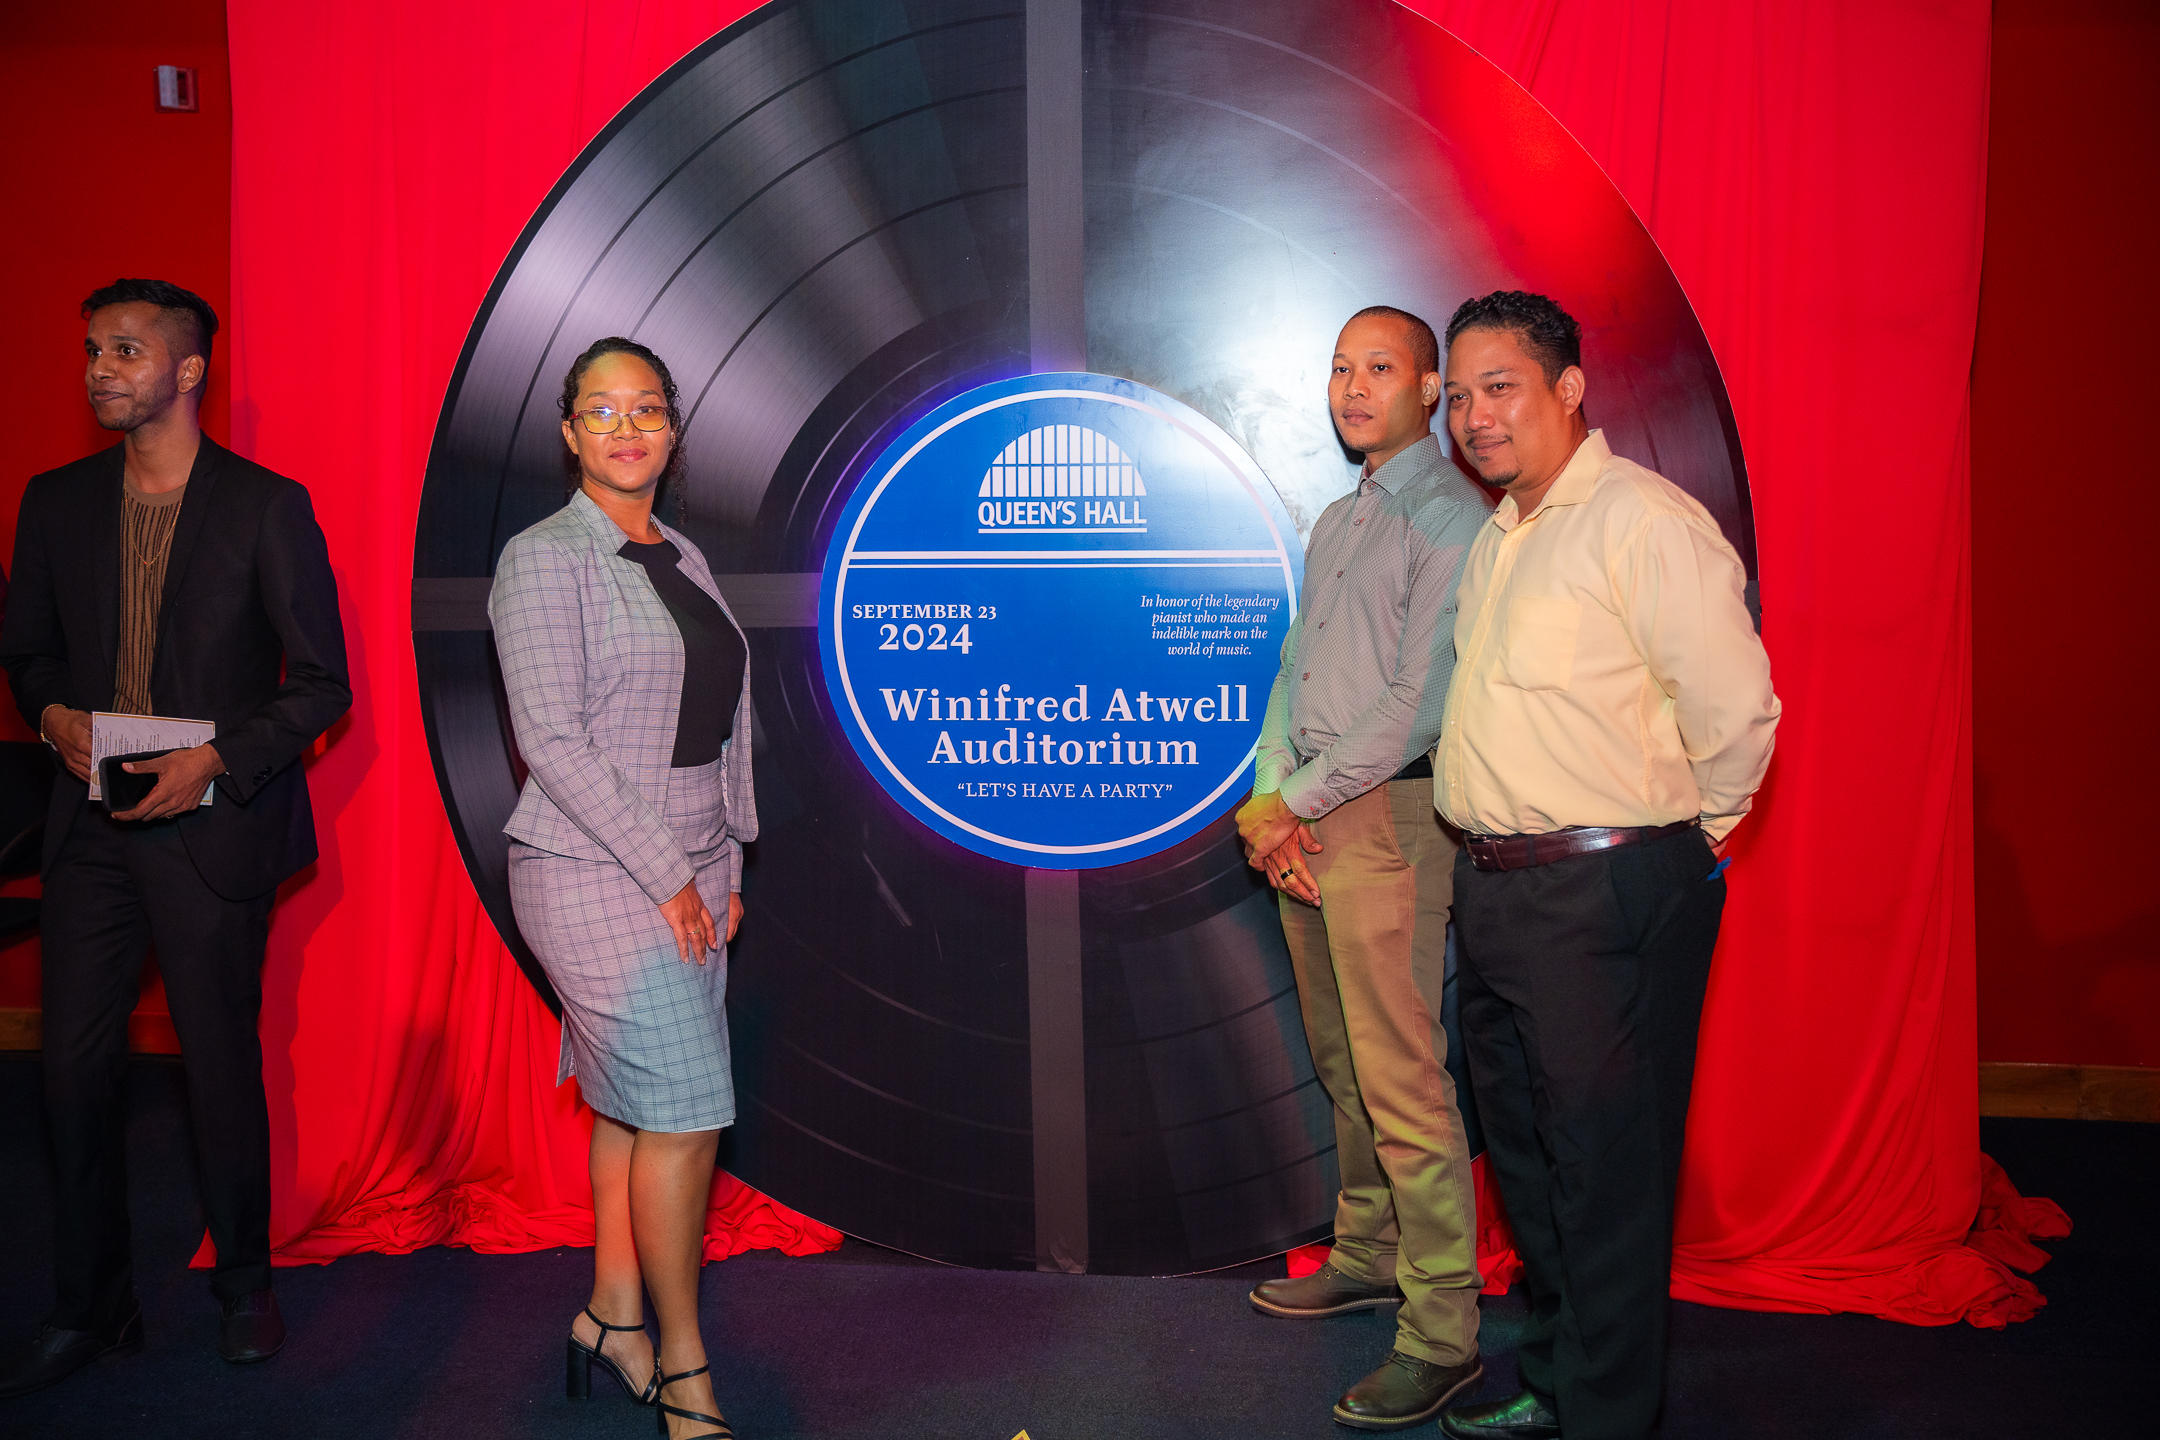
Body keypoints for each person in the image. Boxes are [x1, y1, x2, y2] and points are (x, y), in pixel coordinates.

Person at [1431, 292, 1779, 1440]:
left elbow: (1735, 714)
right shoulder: (1502, 538)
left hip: (1605, 890)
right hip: (1493, 892)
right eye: (1463, 394)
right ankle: (1559, 1384)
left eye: (1503, 388)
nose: (1477, 416)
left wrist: (1676, 845)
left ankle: (1609, 1421)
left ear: (1568, 389)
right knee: (1529, 1168)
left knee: (1607, 1177)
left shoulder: (1643, 521)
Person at [0, 279, 350, 1394]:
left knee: (218, 1068)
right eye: (94, 347)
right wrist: (53, 717)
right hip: (90, 828)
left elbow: (322, 684)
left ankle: (244, 1281)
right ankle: (91, 1306)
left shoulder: (265, 506)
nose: (102, 366)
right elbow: (30, 657)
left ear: (188, 371)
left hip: (210, 827)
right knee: (71, 1074)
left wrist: (214, 759)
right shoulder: (53, 503)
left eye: (128, 349)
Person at [1236, 305, 1496, 1431]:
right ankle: (1367, 1251)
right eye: (1340, 368)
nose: (1352, 387)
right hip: (1309, 822)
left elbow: (1418, 704)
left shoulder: (1450, 520)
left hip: (1390, 821)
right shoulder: (1343, 516)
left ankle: (1443, 1332)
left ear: (1431, 389)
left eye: (1379, 368)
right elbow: (1297, 666)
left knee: (1402, 1081)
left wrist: (1293, 802)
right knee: (1343, 1062)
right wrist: (1272, 800)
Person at [489, 336, 754, 1440]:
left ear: (673, 431)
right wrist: (668, 877)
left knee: (627, 1102)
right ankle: (684, 1369)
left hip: (691, 864)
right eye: (603, 412)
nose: (628, 429)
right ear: (569, 432)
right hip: (589, 867)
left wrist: (724, 860)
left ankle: (611, 1314)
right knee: (687, 1112)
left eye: (648, 409)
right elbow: (551, 739)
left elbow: (722, 724)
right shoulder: (544, 558)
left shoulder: (682, 555)